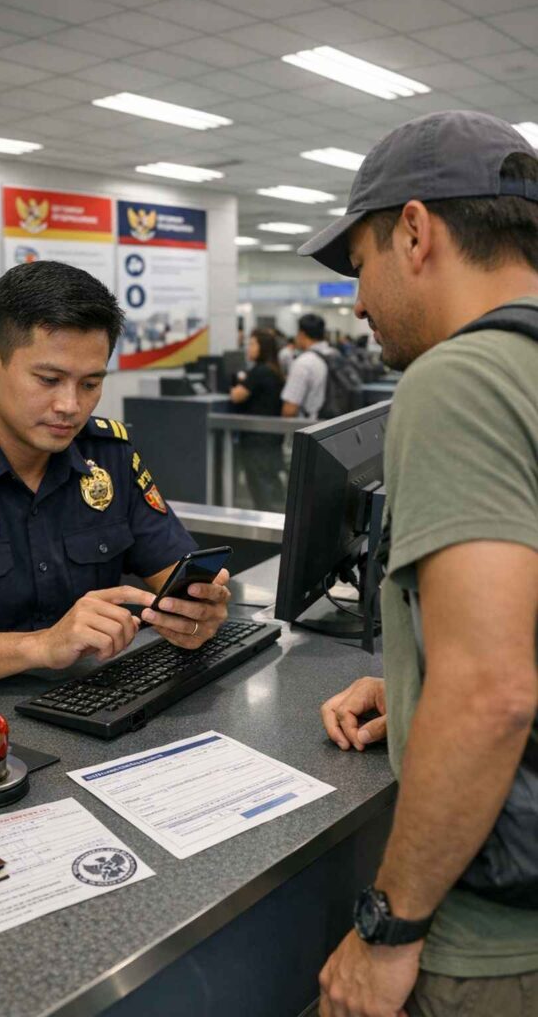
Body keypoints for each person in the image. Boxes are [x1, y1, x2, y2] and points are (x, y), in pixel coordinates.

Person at [297, 111, 538, 1016]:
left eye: (358, 264)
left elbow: (491, 694)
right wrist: (415, 689)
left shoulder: (460, 378)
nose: (356, 303)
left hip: (500, 940)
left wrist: (385, 931)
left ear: (412, 231)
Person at [0, 261, 230, 723]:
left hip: (85, 715)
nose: (70, 406)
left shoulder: (107, 455)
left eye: (90, 384)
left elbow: (174, 571)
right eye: (48, 380)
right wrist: (39, 647)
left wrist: (197, 612)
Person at [230, 327, 286, 511]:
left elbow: (237, 395)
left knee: (259, 489)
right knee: (269, 484)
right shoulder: (274, 370)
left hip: (256, 440)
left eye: (253, 344)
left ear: (263, 347)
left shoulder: (260, 372)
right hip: (270, 438)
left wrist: (233, 384)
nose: (249, 348)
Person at [281, 313, 333, 420]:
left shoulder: (304, 362)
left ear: (301, 334)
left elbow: (289, 409)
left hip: (311, 427)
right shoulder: (334, 354)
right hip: (336, 424)